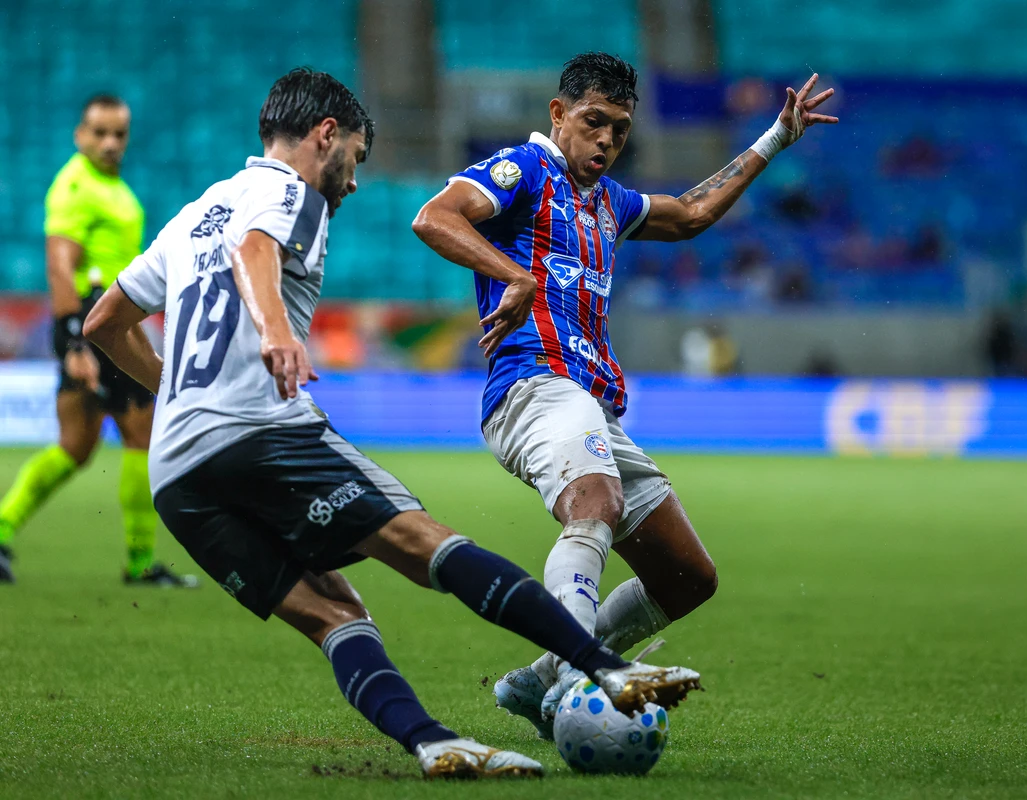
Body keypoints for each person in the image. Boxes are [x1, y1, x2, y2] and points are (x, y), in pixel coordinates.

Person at [82, 68, 699, 779]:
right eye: (356, 158)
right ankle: (602, 667)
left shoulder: (196, 211)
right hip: (260, 429)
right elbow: (254, 251)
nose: (351, 183)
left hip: (178, 471)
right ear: (326, 136)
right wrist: (277, 331)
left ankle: (434, 742)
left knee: (333, 613)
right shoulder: (292, 192)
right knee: (423, 542)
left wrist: (176, 399)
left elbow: (105, 323)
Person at [412, 52, 837, 736]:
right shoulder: (524, 170)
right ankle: (585, 673)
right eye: (594, 121)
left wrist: (775, 138)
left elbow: (694, 212)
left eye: (620, 129)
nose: (607, 139)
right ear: (558, 114)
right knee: (596, 502)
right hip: (533, 384)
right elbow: (434, 217)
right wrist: (512, 275)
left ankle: (539, 679)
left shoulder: (610, 202)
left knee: (687, 576)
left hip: (591, 404)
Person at [0, 95, 194, 586]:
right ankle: (139, 563)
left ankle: (1, 531)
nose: (110, 143)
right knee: (142, 436)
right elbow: (60, 263)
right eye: (99, 132)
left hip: (97, 323)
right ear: (79, 135)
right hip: (96, 324)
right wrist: (75, 342)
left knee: (75, 445)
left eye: (119, 134)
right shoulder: (75, 186)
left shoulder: (114, 190)